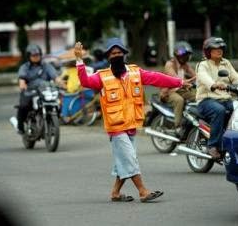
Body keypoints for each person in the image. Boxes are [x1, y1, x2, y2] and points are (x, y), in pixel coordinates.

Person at [74, 37, 190, 203]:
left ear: (125, 54)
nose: (116, 55)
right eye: (113, 53)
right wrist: (79, 60)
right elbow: (85, 81)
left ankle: (115, 193)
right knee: (129, 158)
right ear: (108, 57)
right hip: (116, 128)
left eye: (119, 52)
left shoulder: (136, 72)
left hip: (132, 125)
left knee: (125, 160)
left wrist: (179, 82)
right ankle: (143, 191)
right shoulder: (102, 77)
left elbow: (157, 78)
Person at [196, 37, 238, 160]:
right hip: (206, 101)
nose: (219, 51)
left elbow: (236, 77)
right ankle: (212, 145)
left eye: (221, 48)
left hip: (226, 99)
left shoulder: (226, 63)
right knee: (219, 110)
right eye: (215, 49)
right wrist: (213, 84)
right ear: (209, 51)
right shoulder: (203, 65)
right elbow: (203, 77)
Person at [17, 44, 65, 134]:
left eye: (37, 55)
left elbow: (55, 77)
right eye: (33, 55)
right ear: (29, 56)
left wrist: (61, 83)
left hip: (45, 91)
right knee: (23, 106)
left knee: (58, 103)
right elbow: (21, 79)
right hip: (30, 92)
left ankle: (53, 124)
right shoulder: (24, 67)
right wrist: (22, 84)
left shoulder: (46, 66)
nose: (36, 57)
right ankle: (20, 127)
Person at [160, 41, 196, 133]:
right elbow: (175, 78)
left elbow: (195, 75)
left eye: (187, 55)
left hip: (181, 89)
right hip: (169, 92)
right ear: (178, 55)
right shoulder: (169, 64)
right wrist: (185, 81)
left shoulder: (185, 66)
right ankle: (178, 126)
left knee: (198, 96)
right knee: (179, 100)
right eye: (184, 55)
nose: (186, 58)